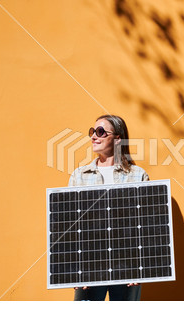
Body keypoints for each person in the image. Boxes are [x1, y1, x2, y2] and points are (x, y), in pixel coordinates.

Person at [68, 114, 149, 301]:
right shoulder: (80, 175)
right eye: (92, 132)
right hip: (89, 264)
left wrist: (141, 268)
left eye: (100, 132)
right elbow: (71, 225)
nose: (93, 136)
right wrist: (73, 269)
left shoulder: (138, 176)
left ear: (118, 138)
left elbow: (145, 225)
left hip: (127, 265)